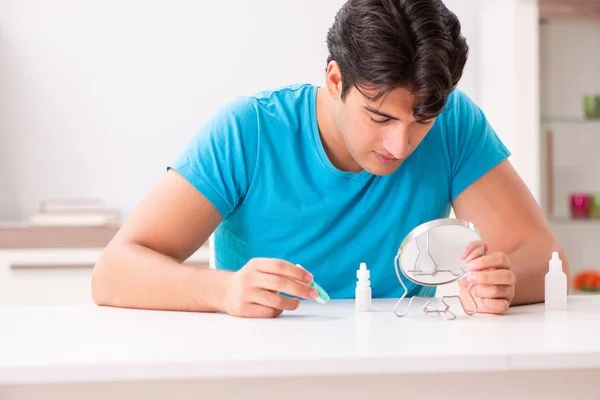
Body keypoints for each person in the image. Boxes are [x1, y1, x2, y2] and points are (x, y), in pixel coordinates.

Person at [91, 0, 569, 318]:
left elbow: (545, 259)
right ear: (336, 81)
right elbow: (115, 270)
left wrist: (502, 282)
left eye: (421, 119)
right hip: (267, 368)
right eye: (380, 117)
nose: (400, 147)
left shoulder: (455, 123)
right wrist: (222, 291)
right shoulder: (248, 130)